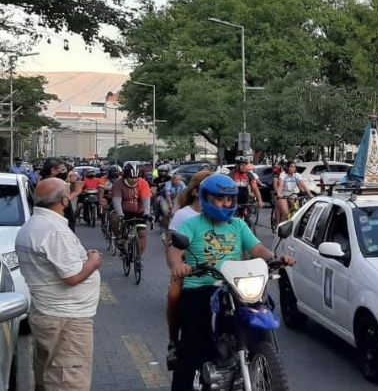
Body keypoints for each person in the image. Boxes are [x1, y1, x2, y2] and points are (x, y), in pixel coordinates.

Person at [167, 174, 294, 390]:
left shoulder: (238, 225)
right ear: (206, 198)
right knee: (193, 343)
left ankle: (259, 359)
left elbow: (256, 249)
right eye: (219, 199)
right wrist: (178, 264)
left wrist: (274, 258)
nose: (225, 204)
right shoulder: (192, 224)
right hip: (202, 285)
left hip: (235, 285)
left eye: (229, 200)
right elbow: (174, 250)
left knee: (262, 309)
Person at [15, 178, 102, 391]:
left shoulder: (33, 225)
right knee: (67, 382)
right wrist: (93, 261)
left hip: (50, 314)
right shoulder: (53, 231)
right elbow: (72, 277)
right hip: (66, 321)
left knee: (47, 377)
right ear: (65, 200)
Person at [164, 170, 212, 370]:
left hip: (222, 274)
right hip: (191, 271)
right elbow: (171, 247)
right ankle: (174, 341)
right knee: (174, 297)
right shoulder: (183, 216)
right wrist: (179, 265)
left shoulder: (225, 215)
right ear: (195, 192)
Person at [111, 163, 151, 259]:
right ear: (125, 176)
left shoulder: (143, 183)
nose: (134, 180)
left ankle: (138, 257)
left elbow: (146, 199)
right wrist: (120, 214)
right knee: (114, 218)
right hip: (124, 212)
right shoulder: (118, 183)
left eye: (136, 177)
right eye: (131, 178)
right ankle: (120, 238)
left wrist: (146, 213)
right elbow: (117, 200)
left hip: (139, 212)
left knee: (142, 233)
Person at [40, 158, 82, 233]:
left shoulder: (49, 181)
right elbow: (60, 203)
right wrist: (76, 192)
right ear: (53, 171)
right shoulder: (50, 183)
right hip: (58, 228)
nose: (65, 172)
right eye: (62, 170)